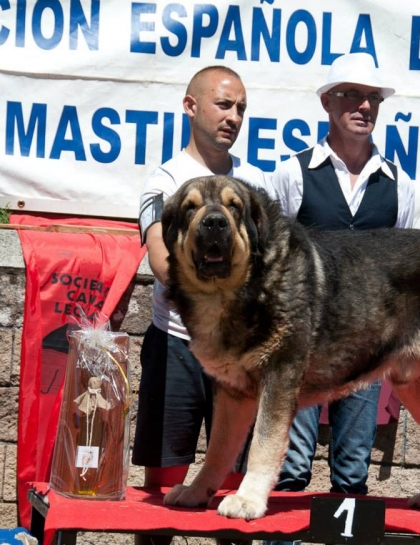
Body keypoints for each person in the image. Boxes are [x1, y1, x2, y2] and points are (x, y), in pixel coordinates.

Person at [269, 52, 415, 520]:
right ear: (328, 103)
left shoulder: (400, 184)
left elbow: (404, 269)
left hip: (367, 346)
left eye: (372, 97)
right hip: (302, 344)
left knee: (352, 472)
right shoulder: (293, 173)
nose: (363, 106)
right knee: (289, 467)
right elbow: (272, 259)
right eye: (352, 95)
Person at [133, 65, 269, 545]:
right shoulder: (164, 180)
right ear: (191, 106)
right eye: (223, 104)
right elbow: (161, 261)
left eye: (241, 109)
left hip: (240, 354)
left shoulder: (252, 185)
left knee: (233, 493)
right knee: (163, 492)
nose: (233, 117)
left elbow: (272, 269)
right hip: (176, 345)